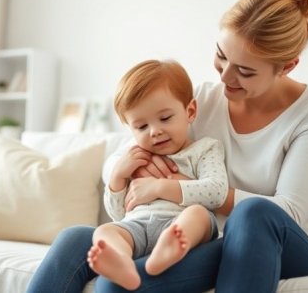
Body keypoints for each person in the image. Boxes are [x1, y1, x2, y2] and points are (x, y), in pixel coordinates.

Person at [27, 0, 308, 293]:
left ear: (288, 66)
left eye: (245, 72)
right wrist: (133, 172)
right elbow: (128, 150)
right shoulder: (201, 99)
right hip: (210, 239)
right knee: (79, 243)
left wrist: (176, 188)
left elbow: (289, 212)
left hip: (293, 247)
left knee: (252, 214)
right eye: (221, 56)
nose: (225, 78)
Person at [87, 59, 228, 291]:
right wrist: (118, 178)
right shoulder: (136, 157)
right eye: (141, 127)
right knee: (105, 231)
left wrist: (159, 187)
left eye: (165, 118)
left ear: (190, 111)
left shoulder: (205, 149)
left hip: (181, 224)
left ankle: (171, 247)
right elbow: (119, 214)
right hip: (138, 226)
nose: (155, 131)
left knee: (198, 214)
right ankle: (121, 261)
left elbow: (217, 192)